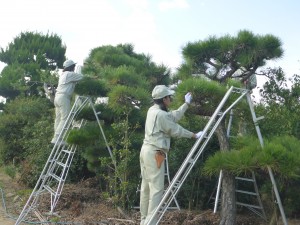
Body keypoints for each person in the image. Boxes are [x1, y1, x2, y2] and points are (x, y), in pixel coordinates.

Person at [139, 85, 203, 225]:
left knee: (146, 187)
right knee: (157, 189)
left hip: (145, 151)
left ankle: (144, 220)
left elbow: (172, 116)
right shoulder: (161, 115)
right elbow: (175, 130)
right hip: (156, 153)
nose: (171, 98)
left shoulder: (153, 110)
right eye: (169, 97)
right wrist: (194, 135)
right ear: (164, 99)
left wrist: (186, 104)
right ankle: (151, 222)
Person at [51, 59, 83, 144]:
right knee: (65, 118)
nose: (74, 67)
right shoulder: (70, 74)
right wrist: (94, 77)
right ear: (71, 67)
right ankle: (58, 137)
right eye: (74, 66)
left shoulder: (63, 75)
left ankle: (56, 137)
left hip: (57, 98)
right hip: (63, 98)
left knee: (58, 118)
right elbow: (83, 77)